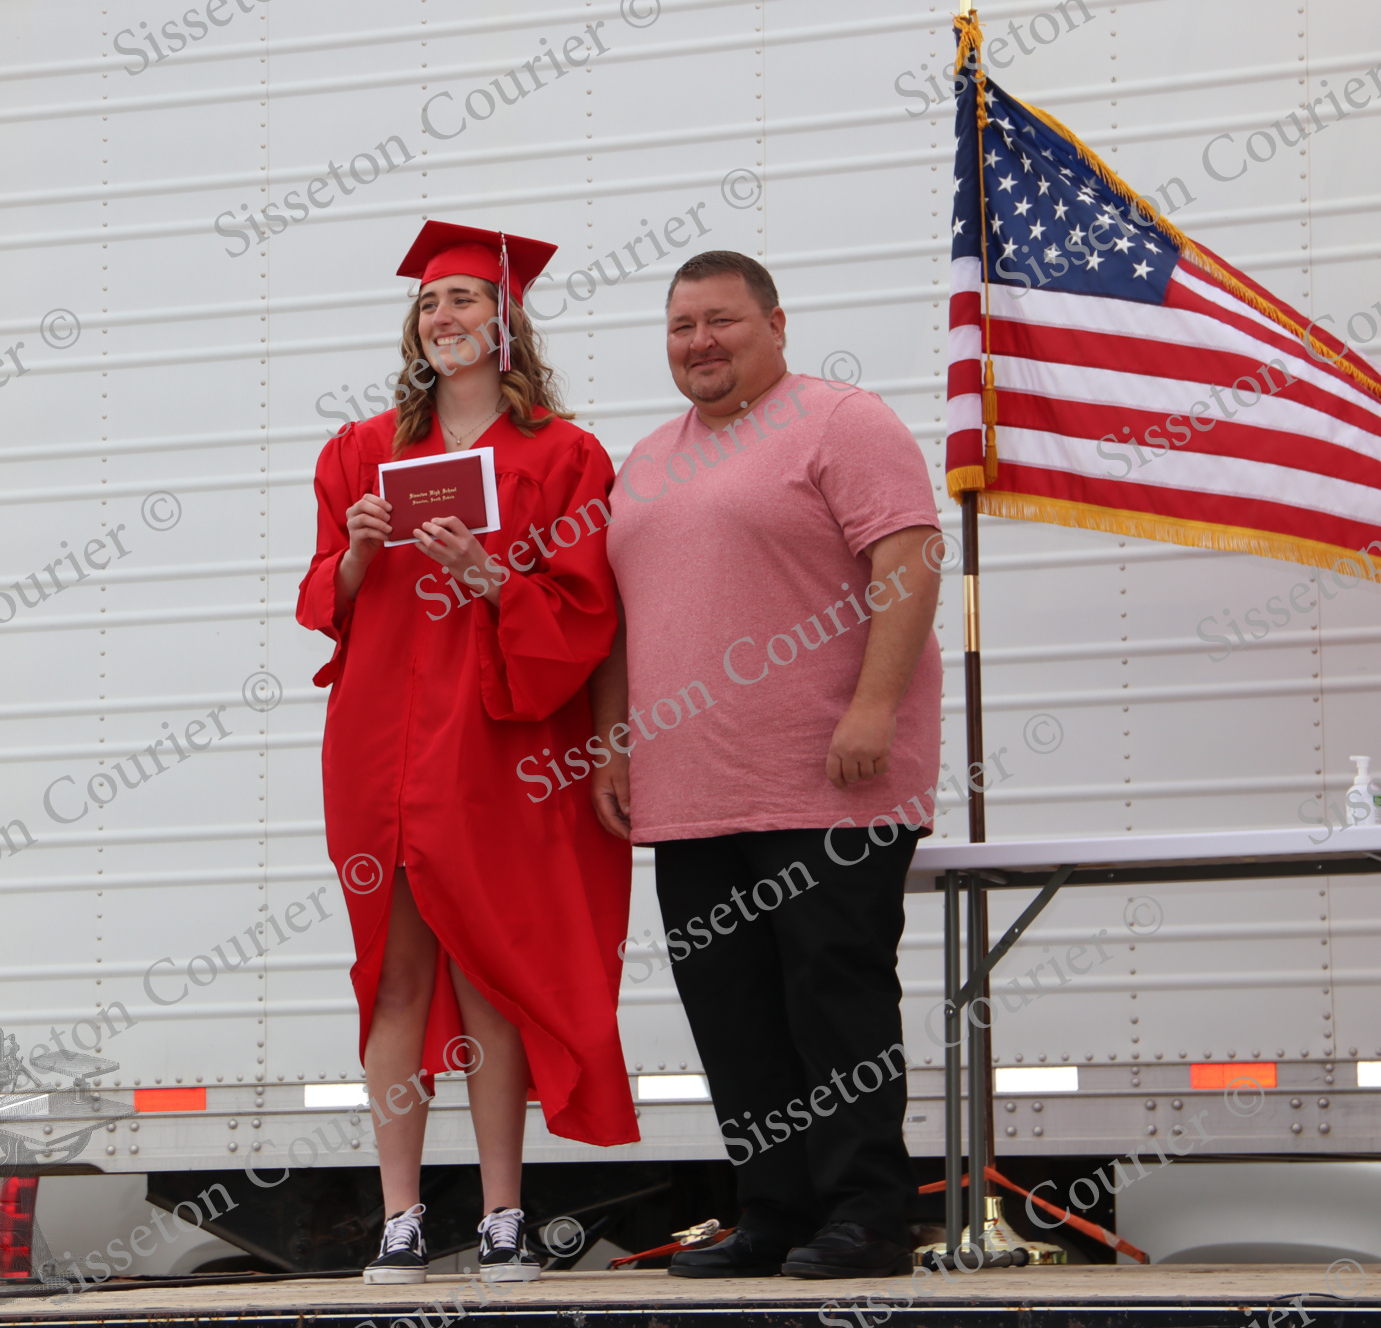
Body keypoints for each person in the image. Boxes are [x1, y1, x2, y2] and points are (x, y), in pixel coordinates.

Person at [590, 251, 943, 1279]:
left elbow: (909, 559)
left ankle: (869, 1215)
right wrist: (615, 741)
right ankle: (775, 1209)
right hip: (691, 792)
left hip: (828, 780)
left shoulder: (841, 421)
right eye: (680, 325)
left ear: (776, 325)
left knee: (834, 1001)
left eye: (722, 321)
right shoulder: (649, 459)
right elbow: (618, 624)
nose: (699, 341)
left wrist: (873, 703)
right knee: (733, 1010)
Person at [297, 221, 637, 1286]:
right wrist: (358, 550)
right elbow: (325, 604)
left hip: (496, 739)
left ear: (506, 321)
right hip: (381, 739)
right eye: (429, 305)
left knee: (491, 975)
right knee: (393, 979)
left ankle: (500, 1212)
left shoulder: (566, 455)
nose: (443, 318)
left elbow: (591, 613)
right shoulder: (362, 451)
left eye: (463, 301)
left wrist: (496, 580)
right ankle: (400, 1215)